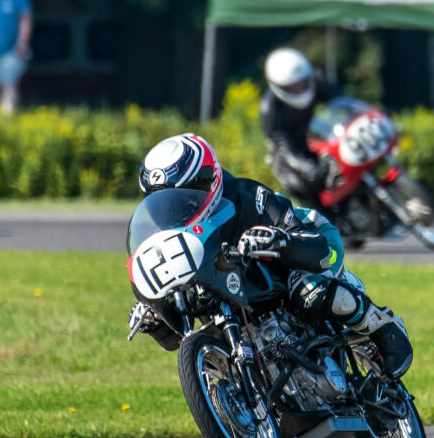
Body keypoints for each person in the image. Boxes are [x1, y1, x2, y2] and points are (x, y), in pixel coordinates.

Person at [127, 132, 413, 375]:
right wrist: (159, 321)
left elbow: (317, 247)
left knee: (308, 290)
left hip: (312, 243)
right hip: (245, 290)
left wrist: (280, 242)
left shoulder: (247, 195)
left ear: (210, 179)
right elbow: (181, 339)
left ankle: (380, 324)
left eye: (188, 194)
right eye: (163, 202)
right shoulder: (170, 238)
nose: (178, 208)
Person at [260, 47, 337, 212]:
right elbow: (282, 146)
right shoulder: (269, 109)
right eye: (292, 87)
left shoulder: (318, 81)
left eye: (302, 83)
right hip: (289, 153)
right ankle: (323, 224)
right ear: (279, 86)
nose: (299, 89)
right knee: (300, 183)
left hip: (317, 137)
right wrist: (305, 167)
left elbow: (342, 103)